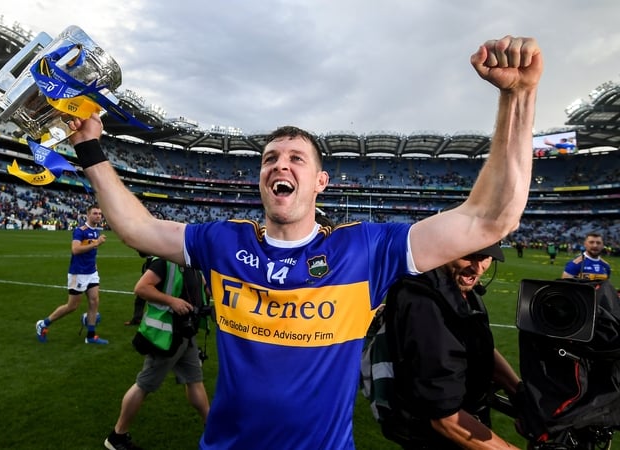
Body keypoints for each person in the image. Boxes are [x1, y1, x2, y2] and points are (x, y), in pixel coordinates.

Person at [67, 35, 543, 449]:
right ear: (260, 179)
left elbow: (489, 219)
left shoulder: (366, 250)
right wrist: (90, 148)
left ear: (320, 181)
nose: (281, 165)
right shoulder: (223, 242)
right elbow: (138, 230)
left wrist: (518, 97)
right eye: (270, 158)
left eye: (297, 158)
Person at [379, 243, 521, 449]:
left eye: (486, 258)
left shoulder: (460, 288)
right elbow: (444, 417)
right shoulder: (423, 302)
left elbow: (478, 346)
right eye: (470, 255)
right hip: (436, 436)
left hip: (468, 418)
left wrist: (517, 389)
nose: (478, 268)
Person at [105, 257, 211, 450]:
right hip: (167, 336)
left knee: (194, 379)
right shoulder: (164, 263)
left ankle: (211, 426)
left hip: (186, 333)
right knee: (144, 384)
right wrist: (172, 301)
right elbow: (141, 288)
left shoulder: (193, 263)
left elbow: (204, 287)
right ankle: (117, 436)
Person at [36, 204, 108, 344]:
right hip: (78, 273)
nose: (98, 216)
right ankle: (43, 324)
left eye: (100, 213)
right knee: (72, 306)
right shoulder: (79, 231)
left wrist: (95, 266)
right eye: (95, 213)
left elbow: (91, 253)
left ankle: (91, 336)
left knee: (94, 301)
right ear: (88, 215)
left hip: (91, 272)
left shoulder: (95, 231)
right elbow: (75, 250)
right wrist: (96, 244)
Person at [124, 251, 155, 326]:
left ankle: (139, 319)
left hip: (154, 264)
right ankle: (137, 319)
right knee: (141, 295)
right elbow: (143, 254)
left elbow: (143, 253)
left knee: (143, 294)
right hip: (150, 263)